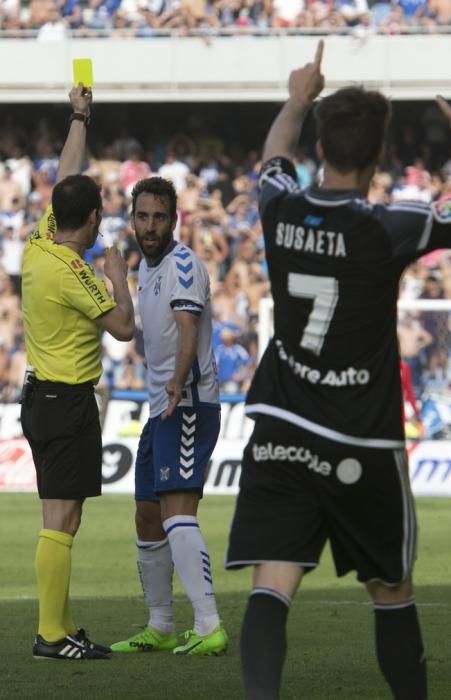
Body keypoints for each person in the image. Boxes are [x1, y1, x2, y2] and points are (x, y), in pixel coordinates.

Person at [225, 40, 451, 700]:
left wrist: (297, 98)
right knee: (390, 589)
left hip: (282, 423)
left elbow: (270, 158)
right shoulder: (390, 225)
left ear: (320, 148)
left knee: (273, 582)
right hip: (361, 438)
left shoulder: (279, 207)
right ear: (378, 158)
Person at [21, 83, 135, 661]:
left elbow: (66, 175)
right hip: (65, 403)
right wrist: (117, 274)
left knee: (64, 517)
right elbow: (123, 328)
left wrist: (79, 119)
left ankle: (60, 626)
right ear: (93, 219)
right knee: (60, 518)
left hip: (45, 397)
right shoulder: (75, 271)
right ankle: (49, 635)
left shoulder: (37, 245)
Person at [111, 177, 228, 656]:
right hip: (161, 407)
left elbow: (187, 327)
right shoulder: (148, 268)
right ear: (133, 219)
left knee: (178, 514)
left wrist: (178, 382)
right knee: (146, 515)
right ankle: (159, 624)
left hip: (188, 404)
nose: (150, 225)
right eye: (143, 216)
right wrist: (117, 277)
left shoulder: (182, 264)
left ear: (174, 219)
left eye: (159, 216)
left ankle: (208, 626)